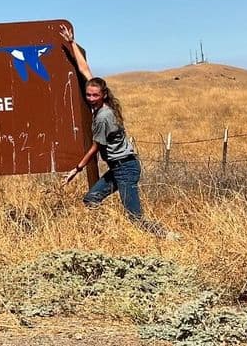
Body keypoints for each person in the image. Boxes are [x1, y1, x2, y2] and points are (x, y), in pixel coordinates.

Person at [59, 24, 173, 238]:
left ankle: (164, 236)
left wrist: (77, 169)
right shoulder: (101, 106)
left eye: (94, 95)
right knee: (91, 199)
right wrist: (71, 43)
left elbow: (96, 147)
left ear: (103, 95)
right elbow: (85, 70)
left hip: (125, 167)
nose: (90, 98)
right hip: (117, 167)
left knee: (134, 216)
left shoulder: (104, 116)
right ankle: (103, 234)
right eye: (88, 95)